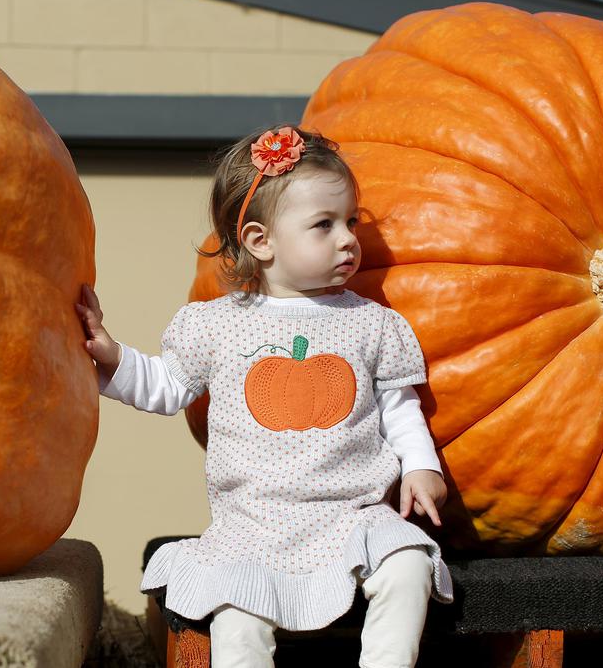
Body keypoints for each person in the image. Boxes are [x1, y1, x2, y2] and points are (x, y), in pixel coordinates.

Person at [76, 125, 453, 668]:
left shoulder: (373, 324)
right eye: (324, 225)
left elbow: (400, 408)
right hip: (254, 523)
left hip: (354, 514)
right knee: (238, 615)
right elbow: (166, 387)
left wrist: (420, 465)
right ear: (260, 241)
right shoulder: (217, 324)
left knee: (409, 563)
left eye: (350, 221)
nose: (348, 238)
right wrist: (112, 355)